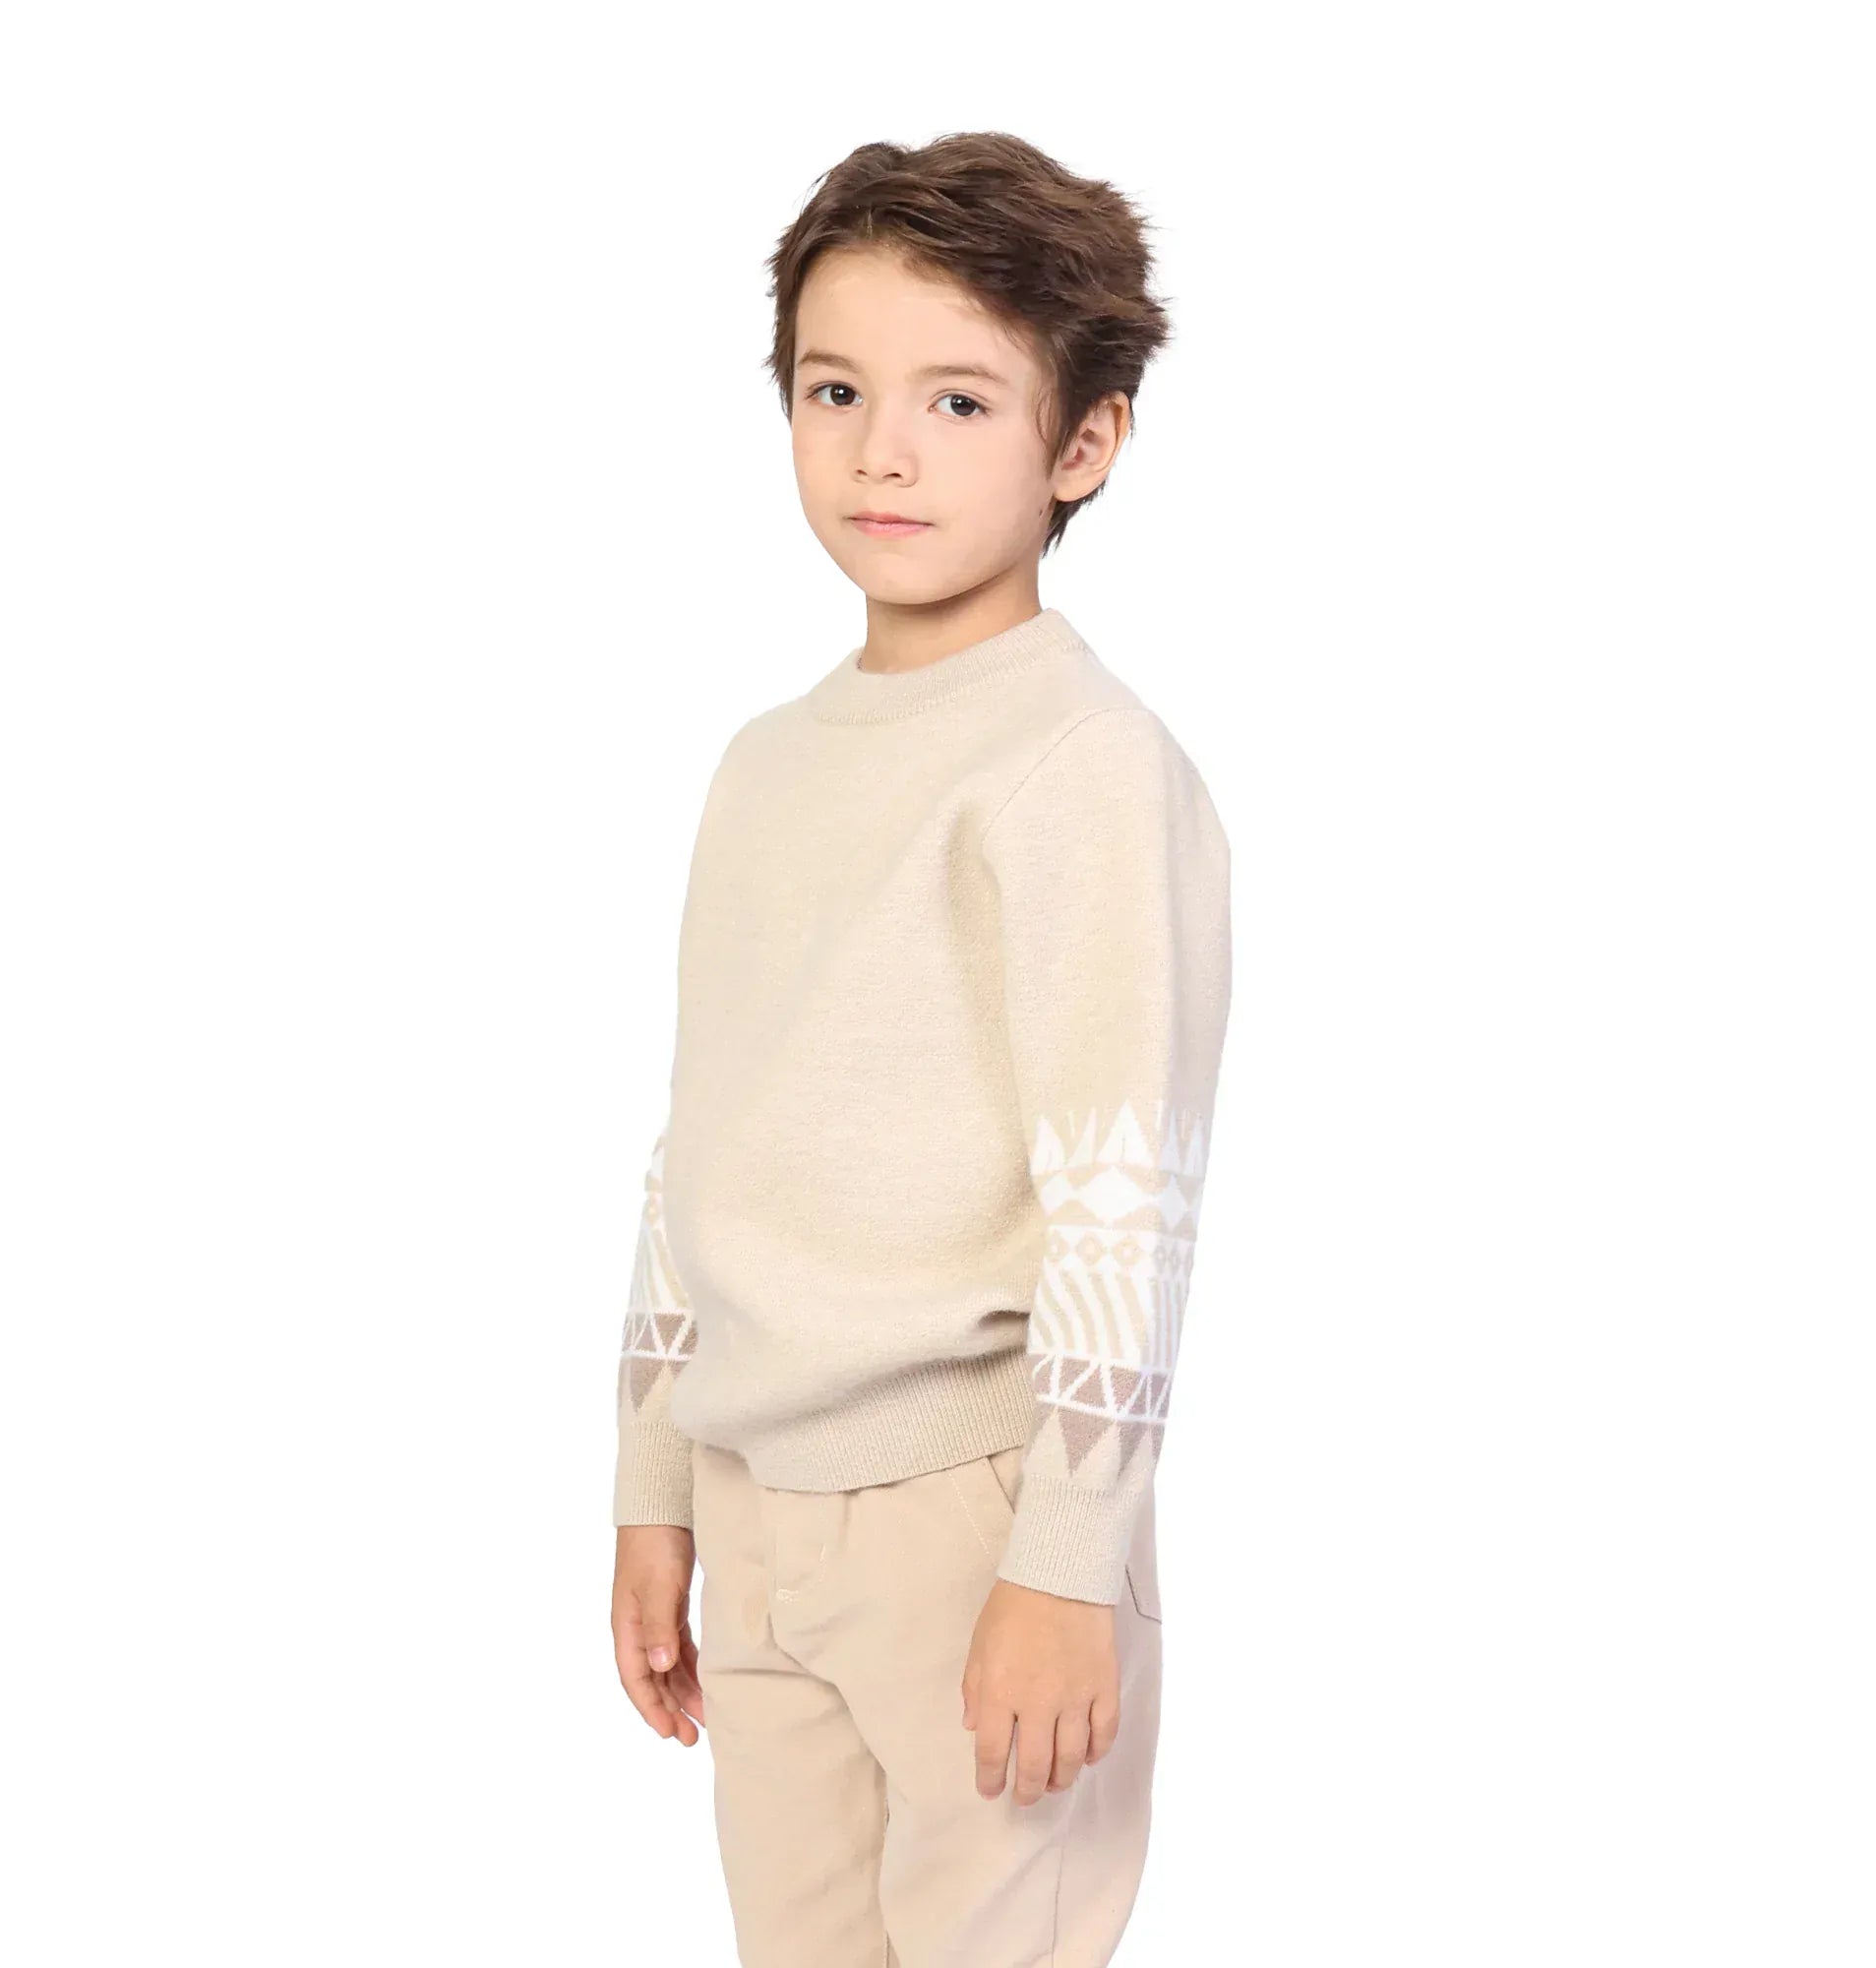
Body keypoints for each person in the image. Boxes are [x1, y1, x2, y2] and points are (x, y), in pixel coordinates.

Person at [608, 130, 1233, 1967]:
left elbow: (1123, 1193)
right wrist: (652, 1483)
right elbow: (697, 1151)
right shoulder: (765, 766)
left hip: (974, 1517)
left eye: (959, 401)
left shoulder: (1080, 766)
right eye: (837, 390)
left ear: (1084, 444)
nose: (883, 449)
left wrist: (1066, 1556)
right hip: (755, 1496)